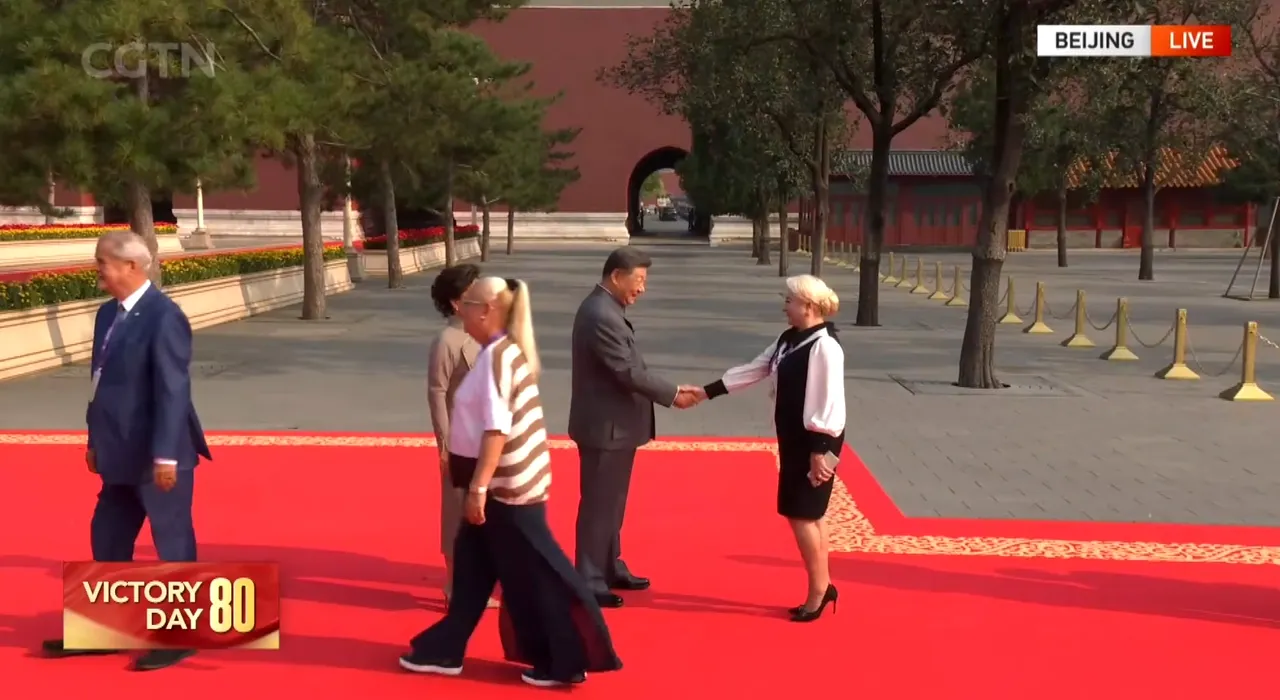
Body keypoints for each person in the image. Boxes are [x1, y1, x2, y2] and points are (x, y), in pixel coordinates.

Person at [401, 277, 622, 687]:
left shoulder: (497, 360)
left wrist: (479, 488)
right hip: (501, 483)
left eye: (467, 304)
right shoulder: (498, 352)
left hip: (508, 489)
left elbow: (496, 429)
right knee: (472, 570)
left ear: (486, 310)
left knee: (540, 575)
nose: (461, 310)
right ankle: (445, 647)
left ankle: (565, 660)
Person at [42, 230, 212, 669]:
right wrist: (94, 440)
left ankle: (180, 636)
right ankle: (103, 628)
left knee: (171, 542)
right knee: (108, 535)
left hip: (158, 455)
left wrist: (165, 456)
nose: (96, 269)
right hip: (116, 449)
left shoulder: (164, 316)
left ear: (131, 266)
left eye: (102, 261)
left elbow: (173, 391)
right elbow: (100, 383)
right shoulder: (107, 314)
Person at [690, 274, 845, 622]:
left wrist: (819, 450)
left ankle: (818, 591)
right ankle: (823, 586)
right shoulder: (789, 339)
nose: (784, 306)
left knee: (802, 514)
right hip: (795, 438)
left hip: (815, 440)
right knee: (810, 515)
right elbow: (756, 369)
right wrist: (707, 391)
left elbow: (831, 403)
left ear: (808, 306)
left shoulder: (825, 347)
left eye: (789, 300)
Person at [568, 246, 700, 608]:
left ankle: (609, 565)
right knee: (599, 506)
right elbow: (627, 371)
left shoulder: (607, 308)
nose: (642, 288)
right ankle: (589, 579)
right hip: (604, 427)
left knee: (613, 504)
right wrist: (673, 394)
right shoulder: (600, 314)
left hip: (615, 426)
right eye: (638, 280)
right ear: (616, 276)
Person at [427, 263, 498, 610]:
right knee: (457, 515)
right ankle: (454, 586)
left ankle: (479, 584)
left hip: (488, 439)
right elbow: (437, 392)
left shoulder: (487, 335)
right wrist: (444, 445)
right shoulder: (448, 341)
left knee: (486, 514)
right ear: (457, 303)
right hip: (460, 442)